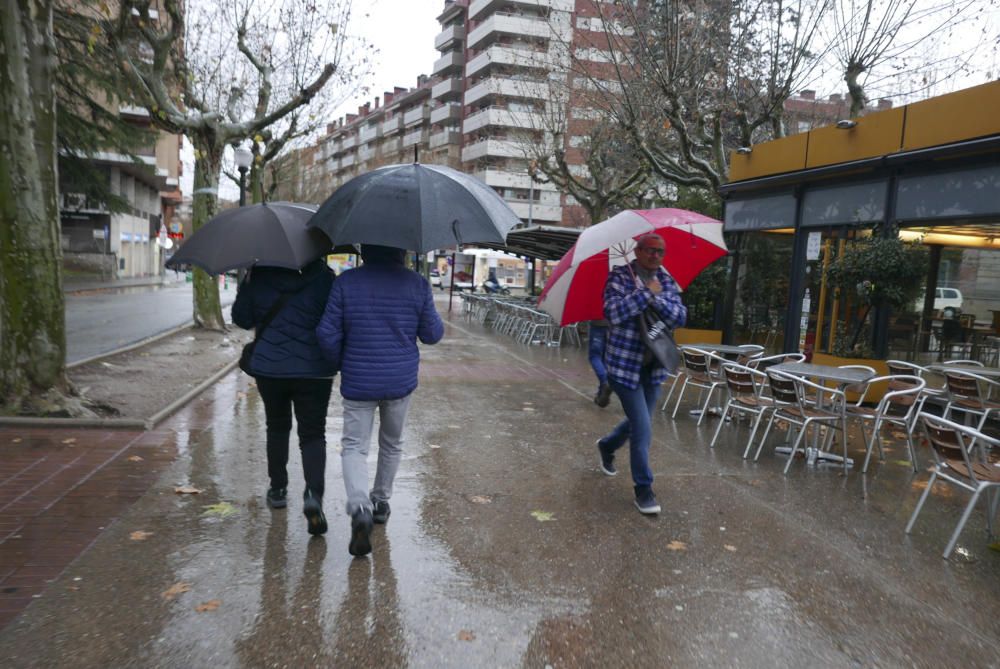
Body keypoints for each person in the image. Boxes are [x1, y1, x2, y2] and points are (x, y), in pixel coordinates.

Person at [316, 244, 444, 557]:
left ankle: (359, 505)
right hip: (399, 381)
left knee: (354, 446)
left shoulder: (345, 283)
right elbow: (432, 334)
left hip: (359, 378)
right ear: (402, 249)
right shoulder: (417, 284)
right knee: (392, 442)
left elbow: (326, 333)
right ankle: (380, 501)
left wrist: (339, 362)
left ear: (365, 250)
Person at [232, 258, 338, 536]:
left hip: (270, 368)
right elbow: (336, 321)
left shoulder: (259, 276)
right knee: (313, 434)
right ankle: (314, 496)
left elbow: (241, 319)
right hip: (314, 370)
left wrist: (247, 284)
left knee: (277, 427)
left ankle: (278, 489)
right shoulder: (325, 278)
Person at [596, 233, 686, 515]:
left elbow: (679, 316)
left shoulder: (666, 279)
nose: (655, 256)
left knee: (640, 422)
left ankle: (607, 446)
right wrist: (647, 293)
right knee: (643, 429)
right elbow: (613, 312)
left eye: (660, 252)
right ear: (637, 251)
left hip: (654, 366)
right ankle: (643, 489)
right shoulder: (620, 277)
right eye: (650, 251)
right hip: (624, 368)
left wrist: (654, 300)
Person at [588, 319, 612, 407]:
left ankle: (605, 380)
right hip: (611, 326)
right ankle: (601, 394)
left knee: (594, 356)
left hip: (598, 324)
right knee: (604, 359)